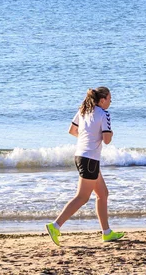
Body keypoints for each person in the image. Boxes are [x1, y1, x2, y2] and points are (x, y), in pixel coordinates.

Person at [46, 87, 124, 245]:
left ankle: (107, 233)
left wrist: (87, 138)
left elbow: (72, 130)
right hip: (90, 160)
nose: (111, 101)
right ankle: (55, 226)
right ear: (102, 100)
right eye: (109, 99)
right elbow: (107, 140)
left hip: (80, 156)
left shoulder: (83, 110)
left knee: (103, 194)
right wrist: (110, 133)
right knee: (82, 197)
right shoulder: (104, 114)